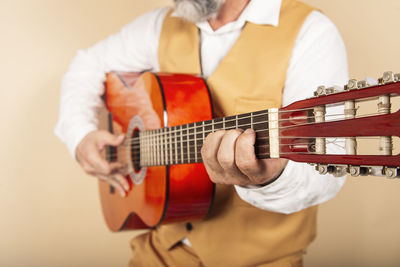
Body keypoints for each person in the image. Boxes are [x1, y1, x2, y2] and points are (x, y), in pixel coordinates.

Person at [55, 0, 348, 266]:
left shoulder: (310, 32)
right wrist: (80, 136)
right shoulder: (161, 24)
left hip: (261, 260)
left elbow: (325, 175)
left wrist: (269, 177)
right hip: (158, 252)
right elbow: (87, 64)